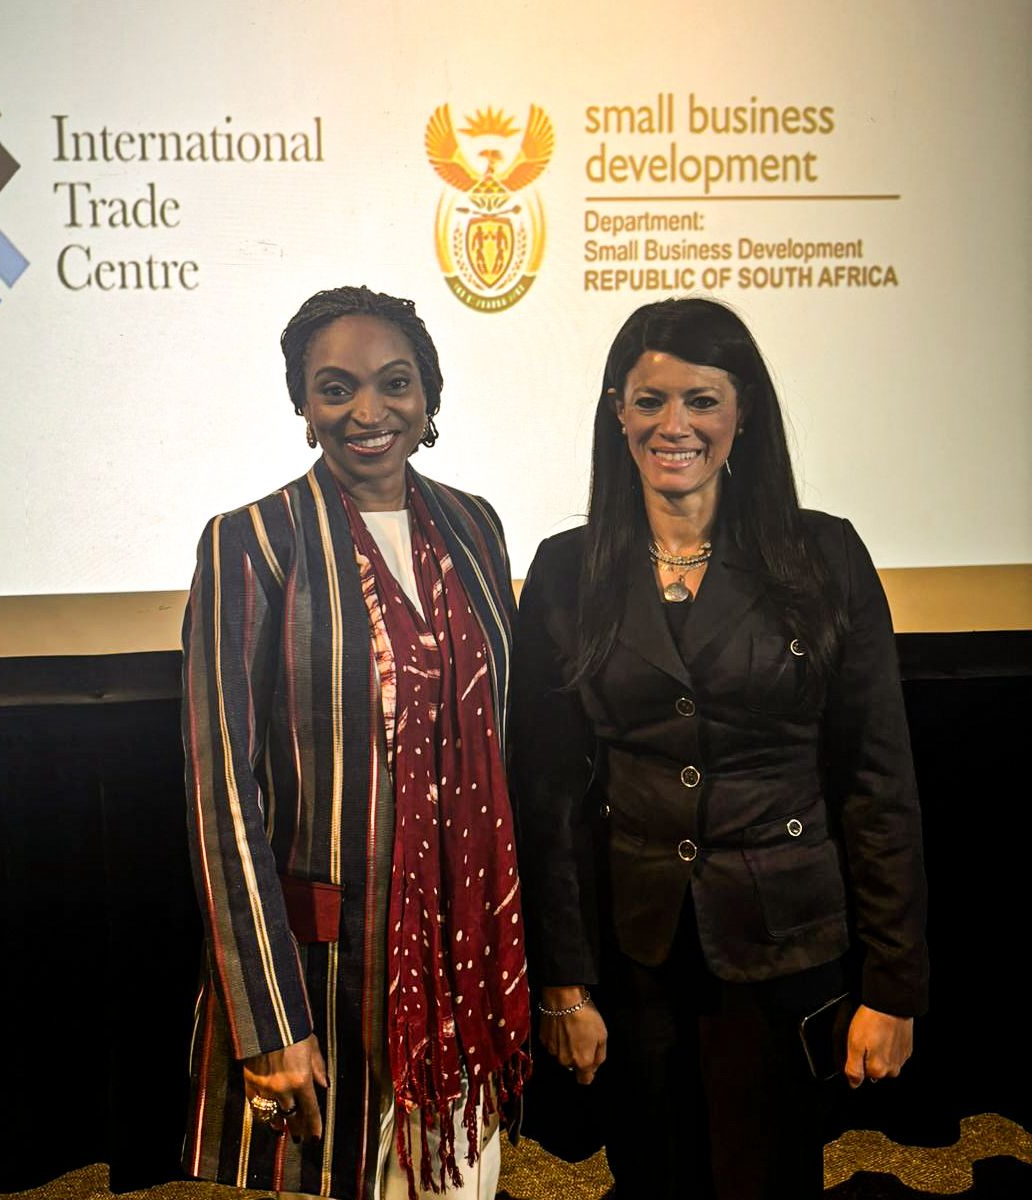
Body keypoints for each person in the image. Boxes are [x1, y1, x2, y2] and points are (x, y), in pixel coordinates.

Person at [510, 297, 928, 1199]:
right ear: (617, 412)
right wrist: (565, 986)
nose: (676, 426)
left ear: (744, 412)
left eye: (702, 400)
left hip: (786, 948)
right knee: (653, 1182)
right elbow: (546, 802)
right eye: (650, 400)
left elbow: (877, 784)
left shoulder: (824, 556)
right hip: (635, 957)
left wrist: (894, 988)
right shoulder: (565, 570)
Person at [180, 286, 529, 1200]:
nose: (368, 412)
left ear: (429, 396)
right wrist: (269, 1021)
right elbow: (224, 796)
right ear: (303, 407)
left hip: (467, 950)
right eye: (336, 389)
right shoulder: (252, 542)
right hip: (334, 975)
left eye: (394, 383)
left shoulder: (476, 525)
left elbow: (504, 745)